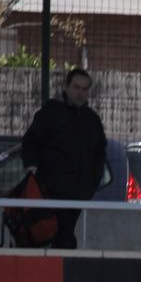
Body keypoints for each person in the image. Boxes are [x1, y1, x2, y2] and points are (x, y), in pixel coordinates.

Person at [20, 67, 106, 250]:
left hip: (78, 195)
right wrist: (32, 169)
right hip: (51, 193)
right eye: (76, 87)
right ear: (66, 87)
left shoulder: (92, 121)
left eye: (84, 88)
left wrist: (92, 182)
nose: (80, 93)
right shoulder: (51, 114)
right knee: (61, 241)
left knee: (61, 240)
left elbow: (100, 153)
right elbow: (31, 142)